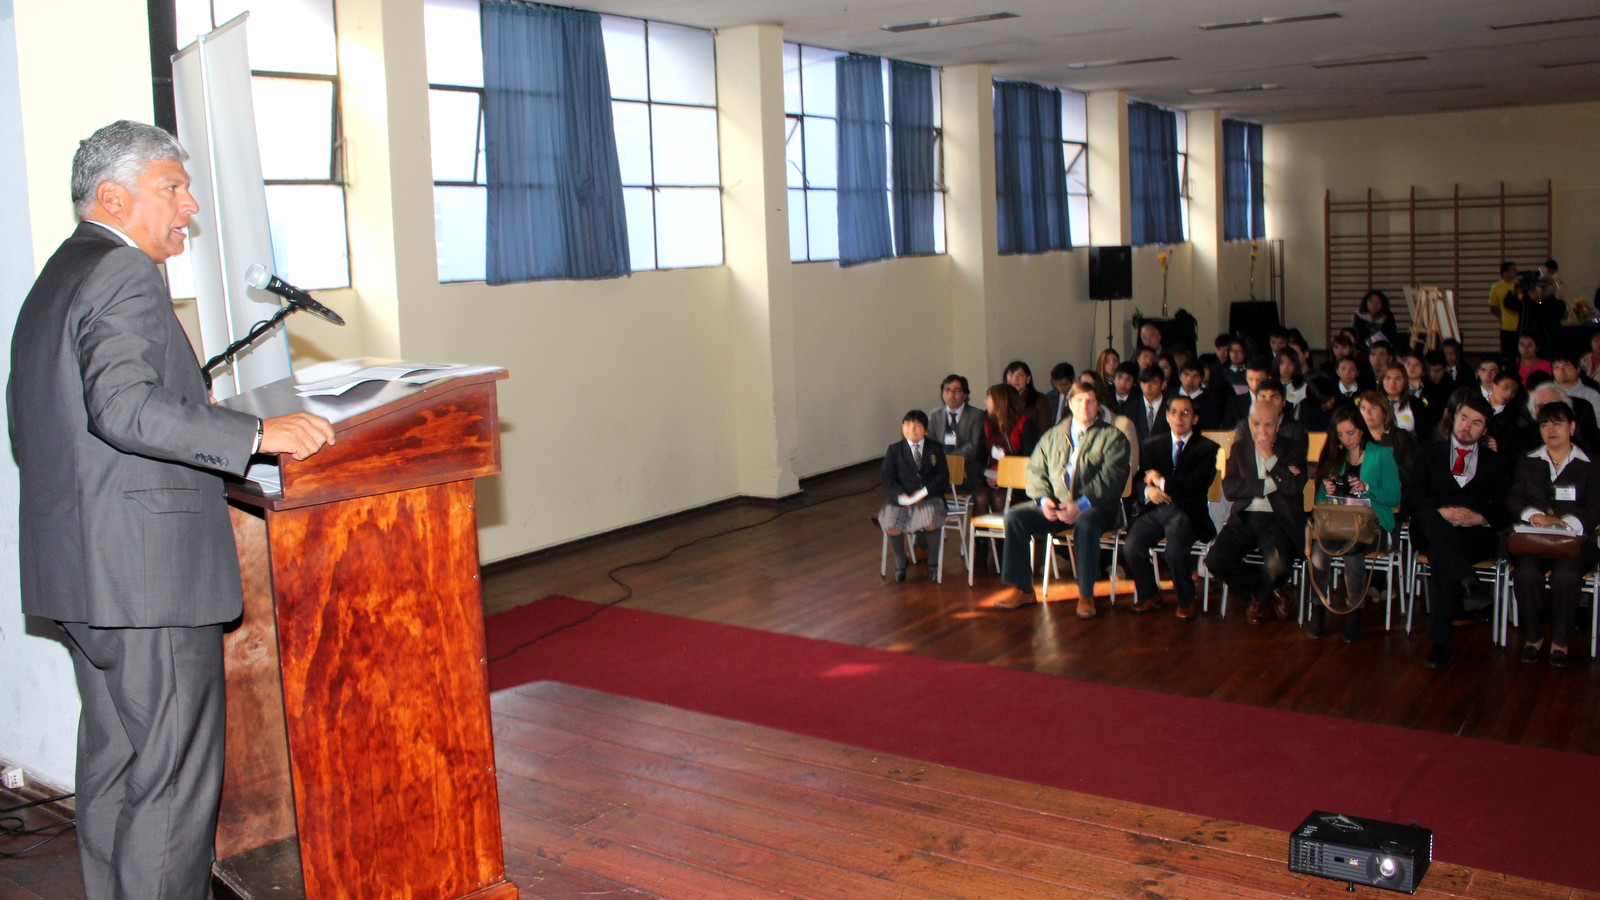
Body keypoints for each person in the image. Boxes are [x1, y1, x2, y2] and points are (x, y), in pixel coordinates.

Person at [7, 120, 336, 900]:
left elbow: (58, 417)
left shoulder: (62, 272)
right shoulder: (122, 273)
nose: (189, 206)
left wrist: (193, 406)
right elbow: (122, 408)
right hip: (147, 577)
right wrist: (255, 432)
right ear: (114, 197)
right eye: (171, 188)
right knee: (173, 784)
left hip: (89, 572)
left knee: (120, 763)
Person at [996, 383, 1130, 617]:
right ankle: (1023, 589)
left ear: (1098, 405)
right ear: (1069, 404)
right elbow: (1036, 470)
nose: (1084, 406)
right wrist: (1042, 500)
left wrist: (1080, 505)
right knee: (1015, 517)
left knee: (1086, 524)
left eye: (1090, 401)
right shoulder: (1053, 435)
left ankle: (1086, 595)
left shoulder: (1112, 437)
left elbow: (1111, 479)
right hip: (1057, 505)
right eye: (1079, 401)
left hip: (1098, 507)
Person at [1407, 396, 1509, 669]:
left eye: (1476, 423)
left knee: (1443, 557)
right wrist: (1443, 513)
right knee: (1431, 519)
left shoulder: (1496, 462)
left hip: (1475, 535)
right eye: (1464, 418)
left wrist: (1481, 517)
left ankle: (1442, 644)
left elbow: (1504, 510)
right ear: (1454, 418)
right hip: (1432, 527)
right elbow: (1413, 498)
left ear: (1485, 430)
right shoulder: (1429, 452)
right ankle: (1468, 581)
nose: (1467, 427)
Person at [1507, 401, 1600, 668]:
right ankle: (1534, 637)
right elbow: (1513, 499)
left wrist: (1564, 523)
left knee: (1566, 576)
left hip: (1576, 542)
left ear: (1572, 427)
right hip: (1534, 539)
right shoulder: (1528, 461)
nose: (1550, 429)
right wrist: (1535, 516)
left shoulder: (1591, 465)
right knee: (1525, 574)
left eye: (1557, 423)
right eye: (1545, 423)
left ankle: (1560, 641)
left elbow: (1596, 507)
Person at [1206, 401, 1307, 625]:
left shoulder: (1292, 447)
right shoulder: (1240, 448)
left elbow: (1293, 486)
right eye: (1257, 424)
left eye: (1269, 425)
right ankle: (1271, 590)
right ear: (1249, 424)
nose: (1262, 431)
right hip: (1246, 517)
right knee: (1215, 559)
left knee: (1277, 563)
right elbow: (1230, 489)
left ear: (1279, 424)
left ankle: (1260, 599)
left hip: (1279, 519)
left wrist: (1270, 457)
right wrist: (1268, 484)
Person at [1305, 406, 1401, 642]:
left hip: (1372, 524)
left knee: (1352, 550)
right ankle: (1317, 608)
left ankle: (1354, 612)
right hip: (1338, 523)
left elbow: (1395, 498)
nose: (1346, 440)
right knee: (1319, 551)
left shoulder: (1381, 454)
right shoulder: (1334, 457)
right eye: (1340, 435)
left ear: (1361, 430)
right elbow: (1319, 504)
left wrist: (1367, 489)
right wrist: (1327, 491)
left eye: (1350, 433)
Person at [1124, 395, 1219, 619]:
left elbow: (1196, 483)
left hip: (1189, 511)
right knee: (1131, 545)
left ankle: (1187, 599)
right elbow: (1139, 480)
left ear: (1195, 419)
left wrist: (1162, 482)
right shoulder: (1153, 444)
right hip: (1157, 509)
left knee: (1174, 550)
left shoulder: (1207, 448)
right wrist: (1149, 491)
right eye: (1174, 412)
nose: (1179, 417)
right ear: (1166, 416)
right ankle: (1149, 593)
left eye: (1185, 413)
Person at [877, 410, 950, 582]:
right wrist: (902, 496)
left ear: (926, 430)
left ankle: (933, 563)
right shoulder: (894, 450)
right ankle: (901, 562)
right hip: (901, 500)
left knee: (931, 523)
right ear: (902, 428)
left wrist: (924, 492)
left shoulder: (935, 448)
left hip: (929, 497)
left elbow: (942, 477)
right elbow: (887, 478)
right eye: (908, 425)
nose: (913, 430)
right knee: (892, 525)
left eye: (917, 426)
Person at [976, 383, 1037, 519]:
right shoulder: (987, 425)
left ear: (999, 400)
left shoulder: (1025, 424)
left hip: (1016, 481)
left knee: (1000, 498)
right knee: (981, 497)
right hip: (992, 477)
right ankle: (983, 539)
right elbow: (978, 458)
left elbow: (1028, 459)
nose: (985, 401)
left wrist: (1003, 476)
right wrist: (987, 474)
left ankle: (1004, 539)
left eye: (989, 397)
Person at [927, 374, 984, 496]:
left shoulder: (977, 415)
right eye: (947, 390)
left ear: (965, 395)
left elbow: (974, 446)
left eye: (956, 390)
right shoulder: (935, 414)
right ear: (942, 394)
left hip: (967, 464)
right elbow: (930, 442)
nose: (951, 395)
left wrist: (952, 461)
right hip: (940, 464)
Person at [1359, 389, 1418, 492]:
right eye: (1363, 408)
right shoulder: (1356, 438)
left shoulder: (1400, 437)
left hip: (1395, 491)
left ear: (1384, 412)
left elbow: (1410, 469)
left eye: (1373, 407)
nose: (1368, 412)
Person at [1508, 277, 1565, 359]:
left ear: (1554, 287)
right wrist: (1515, 290)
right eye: (1541, 285)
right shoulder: (1528, 302)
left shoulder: (1559, 304)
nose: (1543, 288)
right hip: (1527, 344)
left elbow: (1547, 312)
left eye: (1546, 284)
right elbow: (1509, 303)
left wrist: (1538, 299)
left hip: (1548, 346)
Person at [1132, 365, 1171, 445]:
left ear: (1163, 384)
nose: (1148, 388)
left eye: (1153, 383)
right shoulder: (1131, 407)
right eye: (1144, 383)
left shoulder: (1171, 406)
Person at [1489, 260, 1521, 359]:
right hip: (1507, 328)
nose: (1516, 272)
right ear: (1505, 273)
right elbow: (1493, 307)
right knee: (1508, 356)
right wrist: (1502, 317)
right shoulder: (1496, 287)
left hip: (1522, 327)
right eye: (1513, 270)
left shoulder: (1520, 285)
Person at [1044, 361, 1077, 426]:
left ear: (1073, 381)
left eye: (1064, 385)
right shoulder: (1050, 396)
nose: (1060, 388)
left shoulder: (1078, 398)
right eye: (1056, 384)